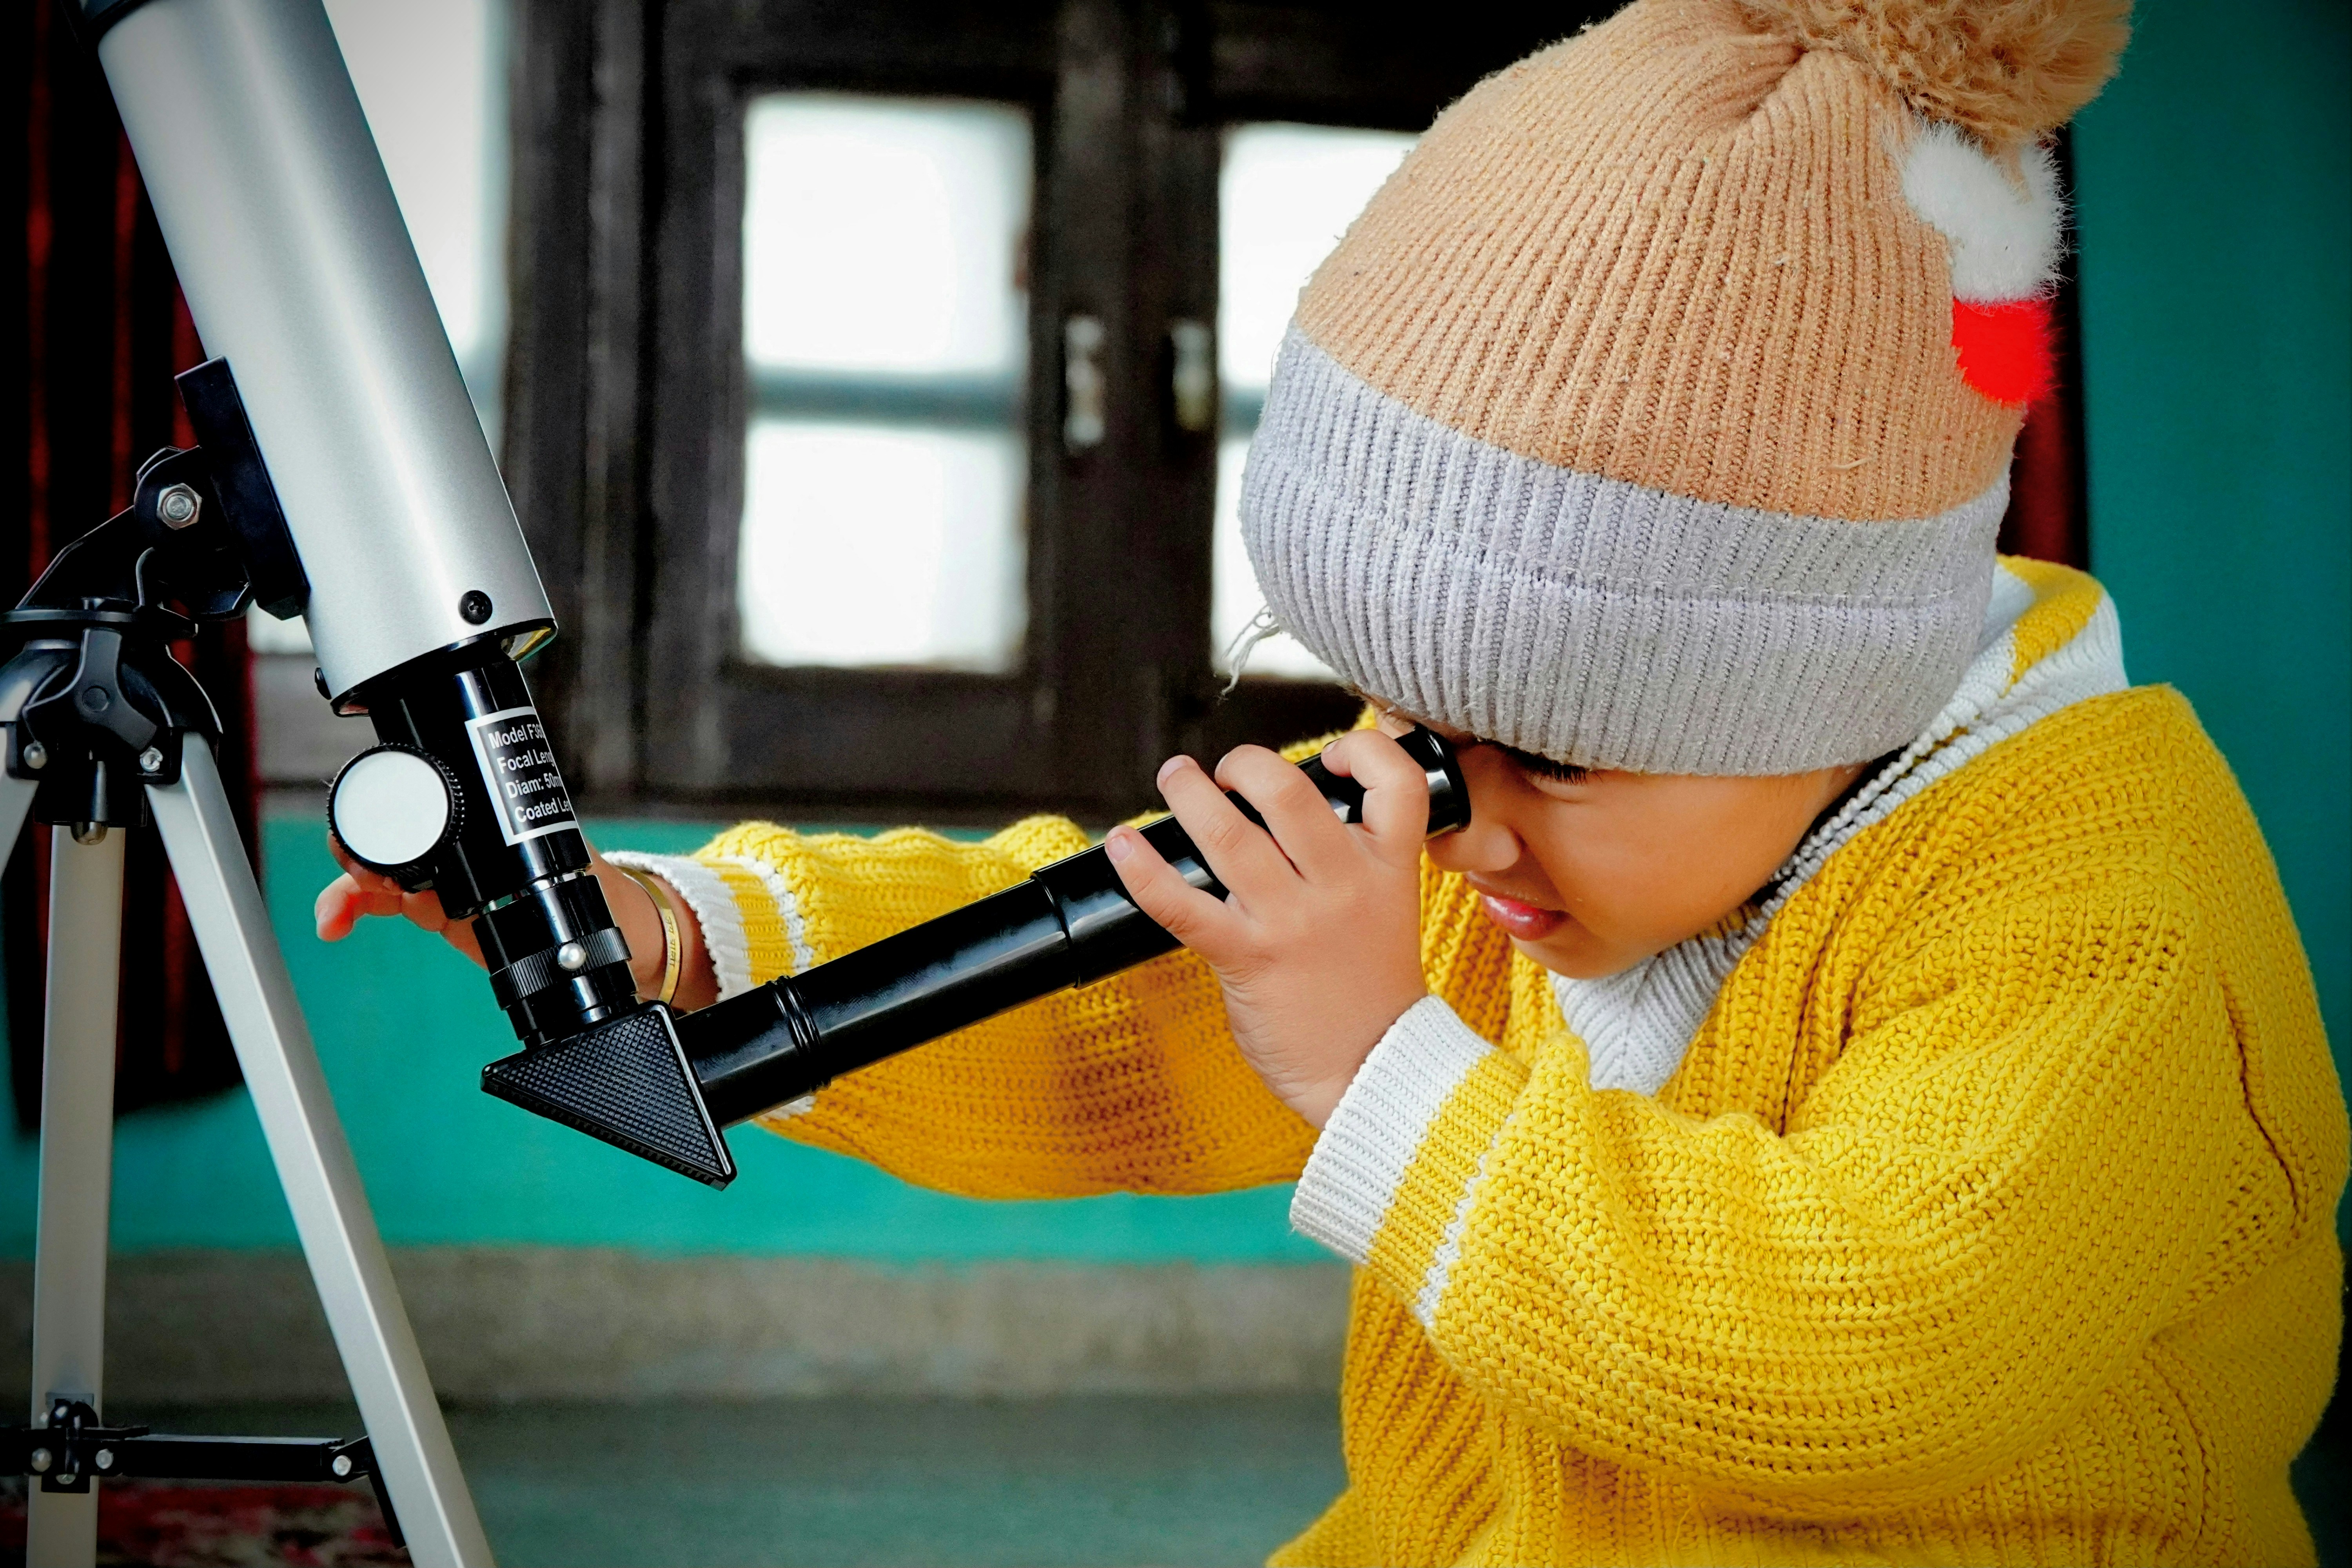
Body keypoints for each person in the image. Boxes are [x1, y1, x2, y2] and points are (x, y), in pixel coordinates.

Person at [320, 0, 2348, 1561]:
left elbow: (1873, 1351)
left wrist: (1384, 1059)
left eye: (1537, 751)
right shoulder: (1534, 812)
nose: (1447, 820)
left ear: (1828, 670)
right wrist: (704, 939)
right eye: (1409, 723)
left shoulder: (2099, 902)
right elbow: (1129, 978)